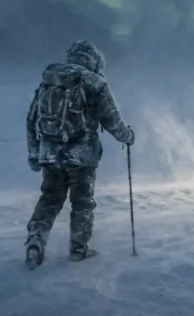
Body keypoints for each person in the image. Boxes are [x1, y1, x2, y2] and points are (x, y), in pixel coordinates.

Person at [24, 39, 134, 269]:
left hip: (50, 154)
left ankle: (36, 240)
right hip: (82, 156)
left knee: (49, 200)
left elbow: (32, 119)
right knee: (82, 202)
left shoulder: (50, 79)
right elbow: (112, 120)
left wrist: (35, 154)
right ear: (94, 61)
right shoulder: (95, 82)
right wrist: (127, 137)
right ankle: (78, 249)